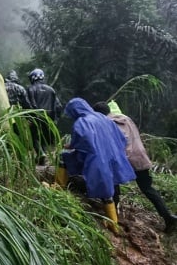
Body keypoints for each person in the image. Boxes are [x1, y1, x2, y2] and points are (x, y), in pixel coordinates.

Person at [92, 101, 177, 233]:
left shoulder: (105, 124)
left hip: (124, 159)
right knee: (147, 188)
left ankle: (113, 218)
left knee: (112, 182)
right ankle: (168, 217)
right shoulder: (126, 119)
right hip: (140, 157)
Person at [60, 97, 136, 231]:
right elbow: (121, 139)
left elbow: (84, 141)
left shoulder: (82, 121)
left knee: (63, 158)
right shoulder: (105, 119)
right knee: (107, 192)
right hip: (113, 157)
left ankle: (58, 186)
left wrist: (71, 145)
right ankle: (114, 223)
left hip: (95, 158)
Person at [26, 68, 62, 165]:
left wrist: (30, 117)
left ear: (33, 78)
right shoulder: (51, 90)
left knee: (34, 136)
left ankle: (40, 153)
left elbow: (31, 104)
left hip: (36, 115)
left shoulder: (31, 89)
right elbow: (58, 106)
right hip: (49, 117)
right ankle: (43, 155)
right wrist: (55, 119)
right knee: (44, 136)